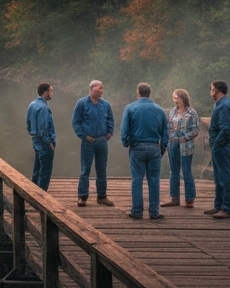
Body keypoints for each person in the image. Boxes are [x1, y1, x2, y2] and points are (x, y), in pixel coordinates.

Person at [120, 82, 168, 220]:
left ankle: (137, 212)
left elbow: (124, 129)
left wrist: (126, 143)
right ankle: (154, 212)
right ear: (150, 93)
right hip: (154, 147)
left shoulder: (130, 108)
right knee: (154, 180)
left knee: (137, 179)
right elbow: (165, 131)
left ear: (138, 93)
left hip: (137, 147)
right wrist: (163, 147)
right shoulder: (159, 110)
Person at [72, 80, 115, 207]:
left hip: (102, 140)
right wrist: (83, 136)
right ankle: (82, 196)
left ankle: (102, 196)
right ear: (92, 89)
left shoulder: (105, 105)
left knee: (102, 169)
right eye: (99, 88)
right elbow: (76, 122)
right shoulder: (82, 103)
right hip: (88, 141)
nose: (102, 90)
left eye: (102, 88)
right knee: (85, 169)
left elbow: (110, 119)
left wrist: (109, 133)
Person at [162, 88, 199, 208]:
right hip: (172, 145)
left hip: (186, 146)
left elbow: (195, 130)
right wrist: (171, 138)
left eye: (176, 98)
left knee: (186, 171)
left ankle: (189, 199)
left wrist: (184, 138)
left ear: (183, 98)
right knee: (174, 172)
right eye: (173, 98)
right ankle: (175, 198)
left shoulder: (191, 113)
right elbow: (168, 127)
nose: (175, 100)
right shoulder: (172, 112)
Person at [206, 80, 230, 218]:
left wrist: (216, 144)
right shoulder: (219, 104)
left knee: (225, 177)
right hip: (219, 146)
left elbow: (226, 130)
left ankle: (229, 208)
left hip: (222, 147)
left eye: (212, 89)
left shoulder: (224, 106)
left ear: (218, 91)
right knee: (218, 177)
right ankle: (219, 206)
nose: (210, 92)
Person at [27, 82, 56, 189]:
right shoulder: (43, 108)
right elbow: (44, 129)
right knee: (45, 171)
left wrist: (33, 134)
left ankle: (33, 192)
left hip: (35, 141)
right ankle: (42, 197)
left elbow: (28, 124)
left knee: (37, 168)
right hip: (44, 143)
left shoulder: (32, 104)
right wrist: (49, 143)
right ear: (45, 92)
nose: (52, 93)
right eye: (51, 91)